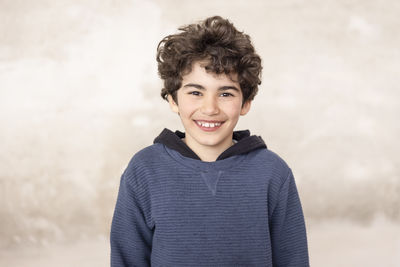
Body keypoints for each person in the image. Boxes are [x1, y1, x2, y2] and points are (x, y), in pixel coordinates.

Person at [110, 16, 309, 266]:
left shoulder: (273, 173)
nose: (210, 108)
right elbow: (127, 259)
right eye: (195, 92)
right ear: (173, 99)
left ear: (246, 103)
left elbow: (293, 259)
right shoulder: (144, 170)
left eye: (225, 93)